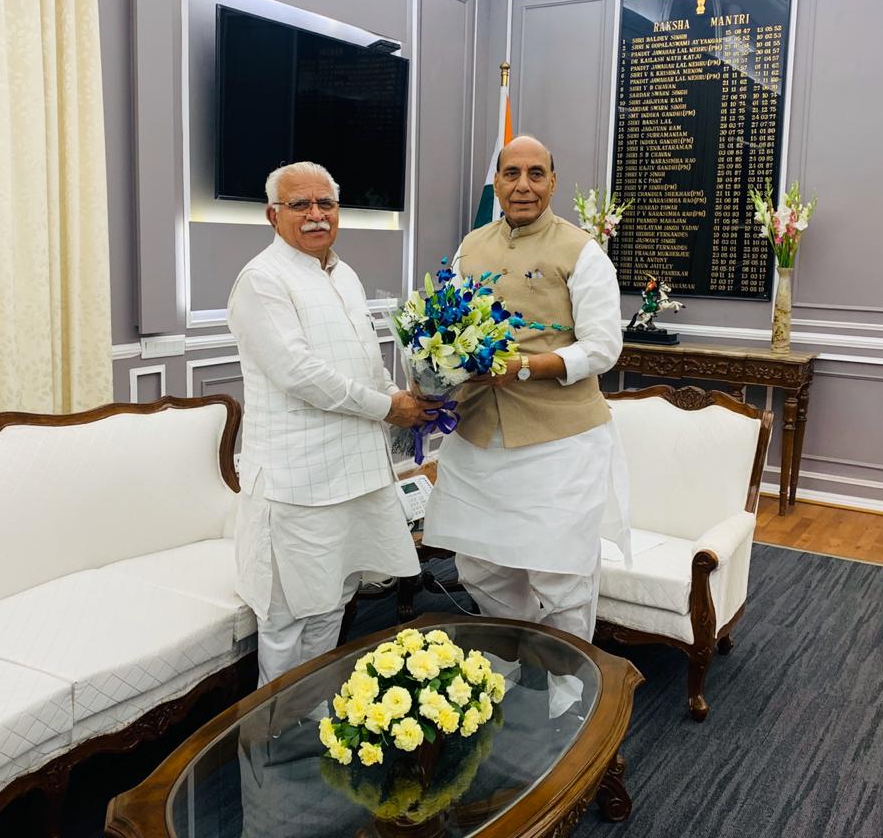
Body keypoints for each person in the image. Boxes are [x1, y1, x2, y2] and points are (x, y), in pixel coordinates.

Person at [228, 161, 439, 685]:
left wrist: (400, 395)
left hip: (356, 475)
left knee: (332, 605)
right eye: (301, 205)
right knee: (287, 619)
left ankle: (314, 720)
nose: (317, 215)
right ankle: (272, 745)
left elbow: (364, 359)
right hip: (297, 485)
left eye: (326, 204)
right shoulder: (261, 280)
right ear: (273, 215)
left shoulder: (341, 273)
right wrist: (388, 408)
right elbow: (299, 375)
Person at [422, 135, 628, 642]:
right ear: (497, 181)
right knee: (479, 567)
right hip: (476, 437)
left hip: (559, 439)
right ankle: (525, 650)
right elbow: (447, 324)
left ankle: (570, 686)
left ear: (553, 182)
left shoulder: (582, 250)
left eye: (536, 174)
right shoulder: (471, 246)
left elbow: (604, 347)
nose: (523, 186)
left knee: (561, 574)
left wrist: (527, 367)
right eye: (512, 173)